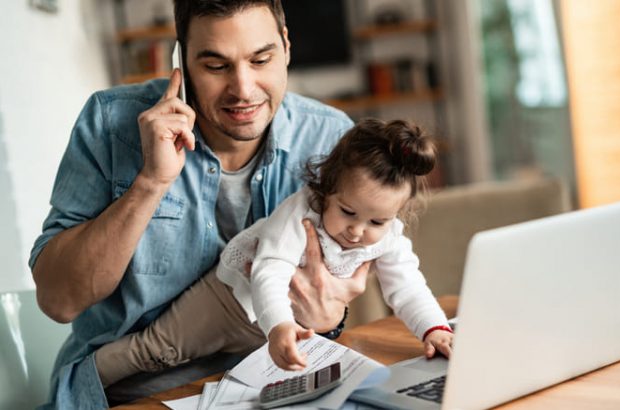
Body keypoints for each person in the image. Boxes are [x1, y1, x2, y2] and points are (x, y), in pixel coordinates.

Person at [29, 1, 369, 408]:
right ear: (181, 62)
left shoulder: (330, 138)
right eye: (216, 66)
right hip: (135, 391)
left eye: (261, 59)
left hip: (277, 382)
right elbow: (59, 300)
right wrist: (151, 182)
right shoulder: (109, 124)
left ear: (286, 47)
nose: (243, 88)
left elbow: (335, 294)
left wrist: (330, 319)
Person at [95, 118, 454, 385]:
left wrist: (433, 330)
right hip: (229, 300)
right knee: (156, 351)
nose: (358, 231)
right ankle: (88, 377)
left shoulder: (389, 236)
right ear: (327, 189)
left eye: (377, 221)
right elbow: (270, 270)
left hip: (276, 327)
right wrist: (280, 326)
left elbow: (407, 286)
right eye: (347, 212)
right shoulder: (300, 212)